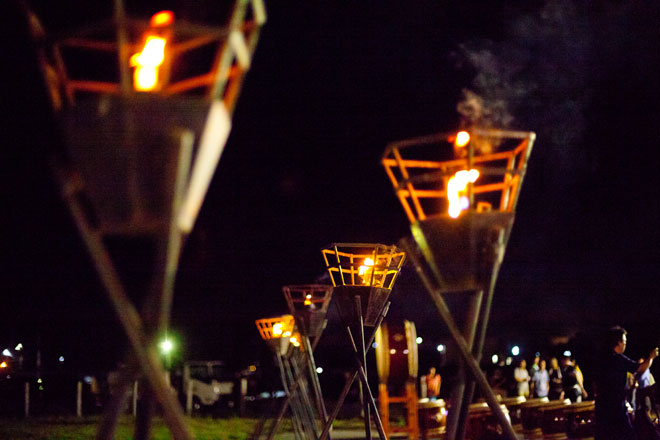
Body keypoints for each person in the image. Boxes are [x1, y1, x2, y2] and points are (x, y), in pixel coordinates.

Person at [595, 326, 658, 440]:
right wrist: (651, 357)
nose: (625, 344)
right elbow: (640, 368)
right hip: (616, 405)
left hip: (602, 405)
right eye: (624, 342)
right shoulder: (618, 359)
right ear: (618, 342)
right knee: (628, 434)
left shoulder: (602, 358)